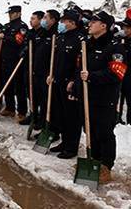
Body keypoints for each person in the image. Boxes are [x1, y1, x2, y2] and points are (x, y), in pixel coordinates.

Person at [79, 11, 127, 182]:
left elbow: (117, 73)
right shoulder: (87, 44)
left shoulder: (115, 47)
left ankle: (106, 166)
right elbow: (81, 68)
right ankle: (94, 161)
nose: (90, 24)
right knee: (90, 129)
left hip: (105, 97)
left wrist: (92, 76)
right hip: (88, 95)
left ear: (104, 26)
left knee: (104, 131)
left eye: (94, 21)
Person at [48, 9, 84, 159]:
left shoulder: (80, 39)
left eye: (64, 21)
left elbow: (80, 64)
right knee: (61, 114)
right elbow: (56, 60)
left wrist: (74, 80)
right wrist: (52, 74)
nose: (61, 24)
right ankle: (64, 141)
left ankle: (71, 146)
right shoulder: (61, 38)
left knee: (72, 117)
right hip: (58, 80)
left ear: (72, 23)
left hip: (70, 84)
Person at [0, 5, 28, 122]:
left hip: (16, 60)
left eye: (13, 13)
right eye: (9, 13)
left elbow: (18, 40)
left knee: (19, 87)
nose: (10, 15)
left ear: (18, 13)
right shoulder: (7, 26)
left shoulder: (22, 26)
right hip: (5, 59)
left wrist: (5, 37)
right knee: (7, 85)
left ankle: (22, 111)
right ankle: (10, 107)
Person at [32, 9, 59, 130]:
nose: (43, 20)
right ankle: (41, 120)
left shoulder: (56, 34)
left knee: (48, 101)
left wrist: (51, 73)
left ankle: (49, 126)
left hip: (48, 74)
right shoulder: (42, 32)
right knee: (40, 99)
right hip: (38, 71)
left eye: (45, 18)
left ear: (53, 20)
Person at [19, 11, 46, 126]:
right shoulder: (30, 33)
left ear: (40, 20)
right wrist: (23, 51)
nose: (31, 20)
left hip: (38, 69)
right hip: (28, 67)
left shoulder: (43, 33)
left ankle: (41, 117)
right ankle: (33, 114)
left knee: (40, 95)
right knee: (30, 93)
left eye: (33, 18)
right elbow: (23, 45)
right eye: (30, 18)